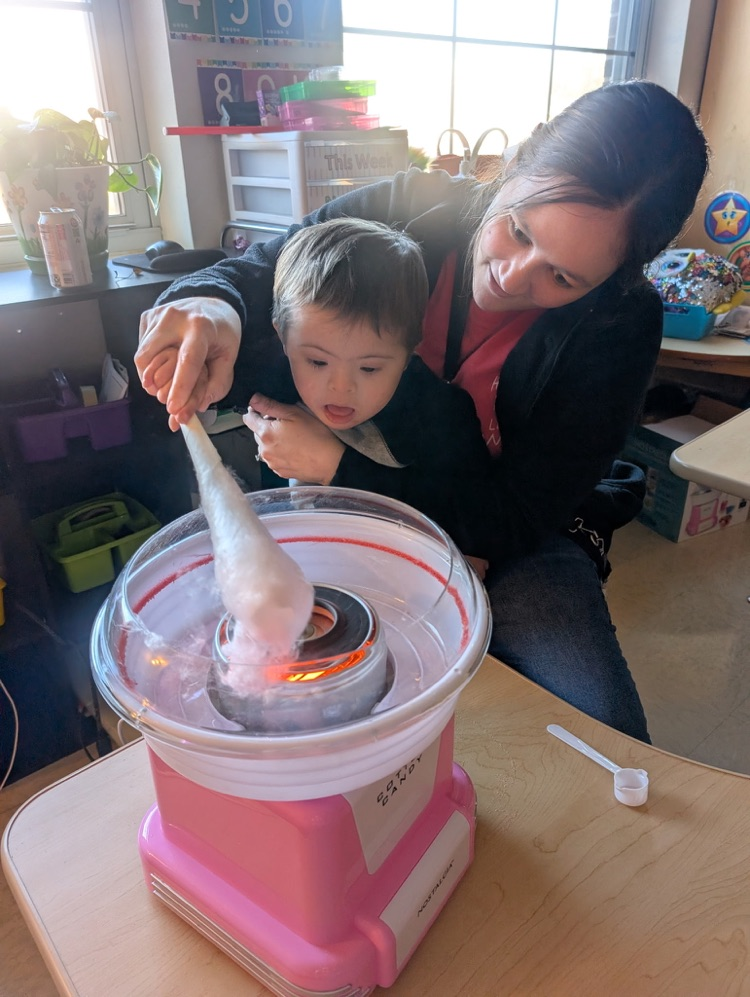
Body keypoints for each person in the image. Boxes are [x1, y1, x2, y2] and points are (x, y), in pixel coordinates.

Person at [136, 80, 710, 742]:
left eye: (563, 278)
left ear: (613, 278)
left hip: (509, 536)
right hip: (357, 507)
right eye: (516, 229)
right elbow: (256, 272)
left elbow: (514, 518)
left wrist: (336, 463)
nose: (511, 278)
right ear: (515, 166)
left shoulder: (619, 325)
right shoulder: (409, 211)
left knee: (604, 733)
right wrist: (212, 306)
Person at [249, 215, 494, 562]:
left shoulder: (441, 416)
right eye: (317, 362)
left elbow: (472, 524)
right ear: (283, 337)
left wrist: (336, 466)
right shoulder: (274, 384)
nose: (340, 387)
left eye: (369, 368)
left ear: (410, 352)